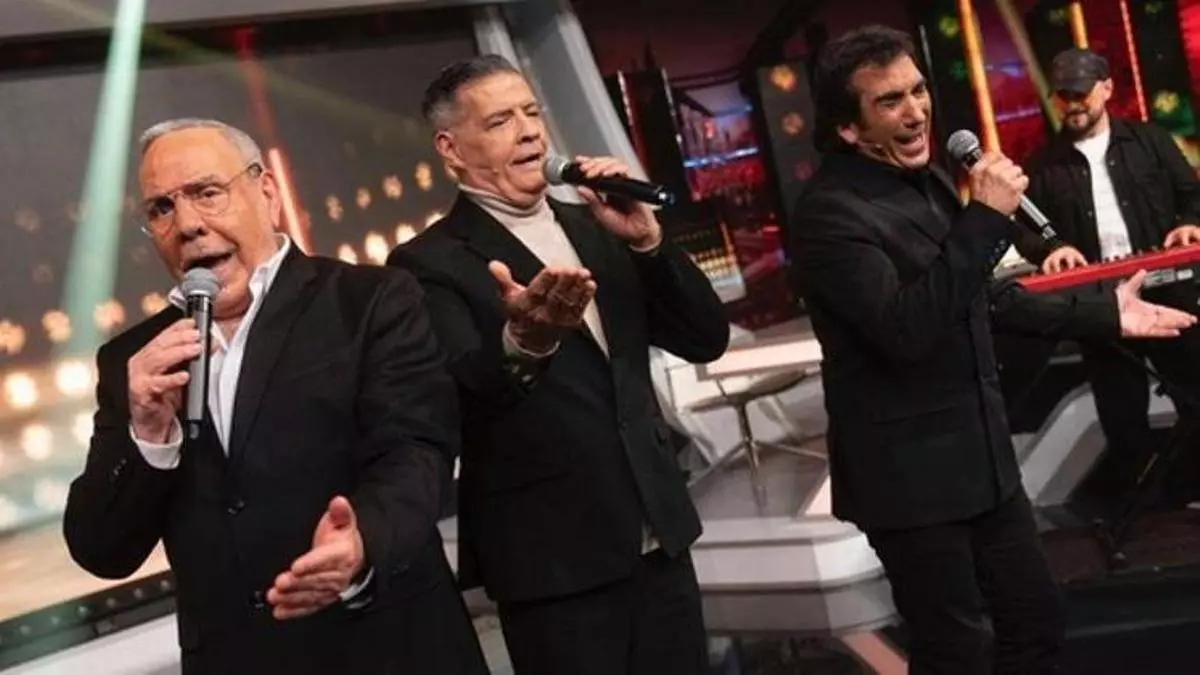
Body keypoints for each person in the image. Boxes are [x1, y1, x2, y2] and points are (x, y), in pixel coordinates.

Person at [790, 26, 1197, 675]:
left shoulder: (921, 181)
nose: (916, 111)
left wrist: (1104, 313)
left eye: (918, 90)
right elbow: (907, 328)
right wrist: (983, 217)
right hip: (912, 484)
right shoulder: (828, 215)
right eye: (890, 100)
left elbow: (983, 296)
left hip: (982, 464)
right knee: (959, 652)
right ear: (847, 127)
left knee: (1037, 624)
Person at [62, 118, 488, 675]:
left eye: (207, 193)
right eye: (162, 208)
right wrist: (147, 433)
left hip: (388, 647)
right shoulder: (135, 362)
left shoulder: (369, 300)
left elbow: (416, 451)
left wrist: (363, 539)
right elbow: (101, 549)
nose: (187, 224)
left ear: (266, 193)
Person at [387, 55, 730, 675]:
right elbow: (454, 401)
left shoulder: (600, 224)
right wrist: (525, 340)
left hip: (658, 538)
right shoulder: (427, 263)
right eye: (500, 121)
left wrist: (648, 243)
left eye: (532, 113)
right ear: (451, 149)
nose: (528, 132)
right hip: (553, 564)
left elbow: (706, 339)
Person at [1012, 47, 1200, 505]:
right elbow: (1022, 229)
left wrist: (1190, 224)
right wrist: (1052, 249)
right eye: (1063, 95)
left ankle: (1190, 492)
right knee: (1121, 417)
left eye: (1080, 93)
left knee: (1195, 394)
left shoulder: (1150, 141)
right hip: (1101, 307)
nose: (1072, 103)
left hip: (1169, 292)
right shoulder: (1043, 164)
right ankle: (1147, 515)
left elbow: (1193, 195)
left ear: (1107, 88)